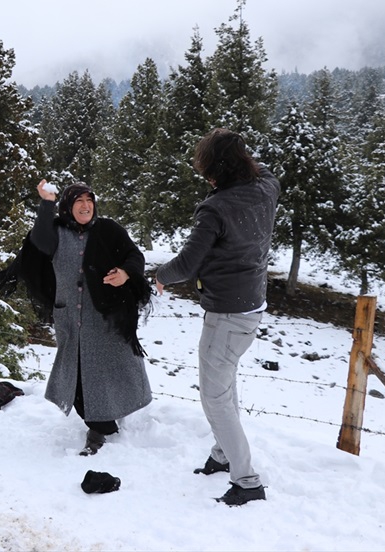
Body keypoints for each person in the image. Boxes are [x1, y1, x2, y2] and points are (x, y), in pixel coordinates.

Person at [155, 128, 280, 507]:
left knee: (214, 398)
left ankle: (246, 479)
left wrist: (159, 276)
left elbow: (188, 263)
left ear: (217, 171)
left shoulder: (216, 209)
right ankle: (222, 453)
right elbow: (264, 172)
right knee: (225, 387)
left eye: (208, 170)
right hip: (252, 305)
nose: (206, 178)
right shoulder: (268, 186)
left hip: (226, 315)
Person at [7, 179, 153, 455]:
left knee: (109, 370)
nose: (85, 206)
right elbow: (38, 240)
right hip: (69, 317)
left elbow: (135, 256)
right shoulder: (57, 233)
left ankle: (101, 427)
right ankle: (98, 419)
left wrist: (125, 273)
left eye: (89, 201)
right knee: (76, 376)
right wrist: (46, 203)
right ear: (68, 207)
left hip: (105, 316)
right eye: (78, 201)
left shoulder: (108, 230)